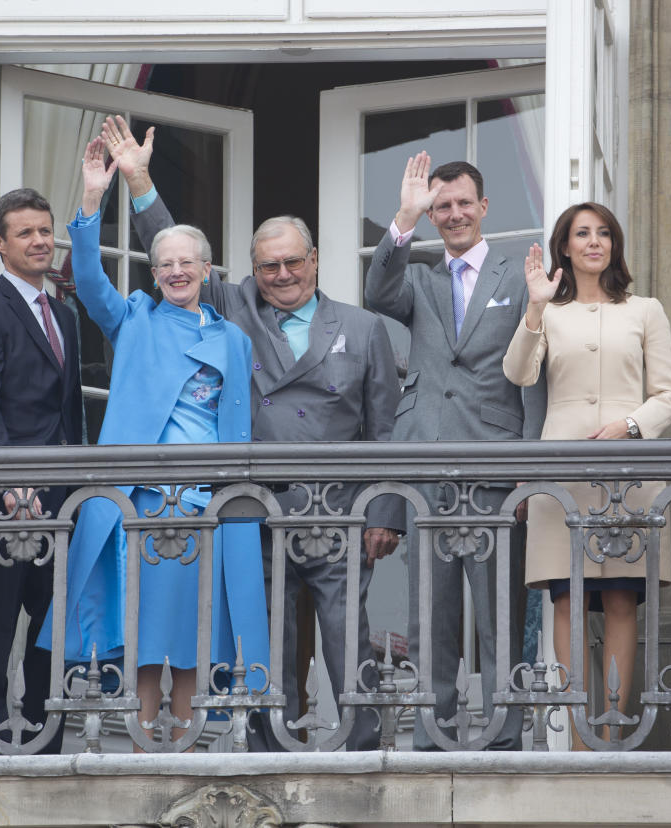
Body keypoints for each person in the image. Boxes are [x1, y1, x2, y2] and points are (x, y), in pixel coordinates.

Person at [101, 115, 402, 751]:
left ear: (314, 259)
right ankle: (272, 748)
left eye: (293, 262)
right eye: (269, 266)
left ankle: (365, 750)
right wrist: (140, 179)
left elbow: (384, 430)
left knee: (348, 634)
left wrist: (385, 513)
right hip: (255, 502)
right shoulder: (233, 304)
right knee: (266, 639)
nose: (283, 274)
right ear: (250, 269)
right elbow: (171, 253)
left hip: (339, 509)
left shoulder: (364, 326)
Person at [38, 138, 268, 745]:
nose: (175, 271)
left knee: (194, 627)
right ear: (154, 271)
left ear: (207, 271)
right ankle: (145, 732)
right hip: (140, 496)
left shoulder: (232, 340)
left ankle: (187, 733)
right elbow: (87, 282)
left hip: (202, 498)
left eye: (186, 262)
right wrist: (94, 196)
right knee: (141, 625)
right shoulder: (133, 317)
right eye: (164, 263)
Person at [363, 152, 544, 750]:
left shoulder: (519, 280)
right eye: (442, 206)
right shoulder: (419, 278)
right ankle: (431, 742)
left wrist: (527, 473)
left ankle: (503, 744)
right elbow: (376, 292)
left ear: (484, 207)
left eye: (464, 202)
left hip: (495, 473)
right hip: (427, 471)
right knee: (429, 622)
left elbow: (535, 380)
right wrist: (402, 219)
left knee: (499, 622)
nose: (454, 213)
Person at [503, 201, 671, 749]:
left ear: (615, 245)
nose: (594, 241)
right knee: (567, 597)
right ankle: (579, 739)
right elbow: (518, 372)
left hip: (629, 470)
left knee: (623, 598)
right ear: (564, 246)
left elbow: (669, 395)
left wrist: (631, 424)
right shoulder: (548, 315)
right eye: (582, 233)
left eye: (603, 233)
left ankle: (613, 732)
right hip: (563, 473)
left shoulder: (645, 310)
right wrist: (535, 309)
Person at [0, 187, 82, 754]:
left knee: (52, 620)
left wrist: (79, 485)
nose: (39, 241)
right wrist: (7, 482)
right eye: (25, 232)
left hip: (61, 493)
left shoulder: (66, 316)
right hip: (8, 494)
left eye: (45, 230)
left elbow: (70, 406)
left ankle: (41, 732)